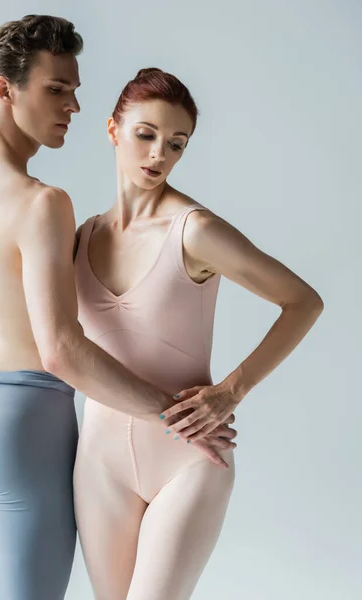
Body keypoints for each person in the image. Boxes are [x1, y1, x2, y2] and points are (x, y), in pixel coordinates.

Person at [0, 16, 235, 600]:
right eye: (57, 89)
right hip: (23, 413)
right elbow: (62, 350)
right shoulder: (42, 204)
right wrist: (174, 415)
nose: (74, 106)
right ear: (4, 89)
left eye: (76, 90)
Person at [73, 68, 324, 600]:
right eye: (146, 134)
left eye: (176, 144)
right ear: (113, 130)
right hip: (98, 462)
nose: (159, 154)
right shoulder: (80, 237)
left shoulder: (194, 230)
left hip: (189, 456)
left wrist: (232, 390)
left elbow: (303, 301)